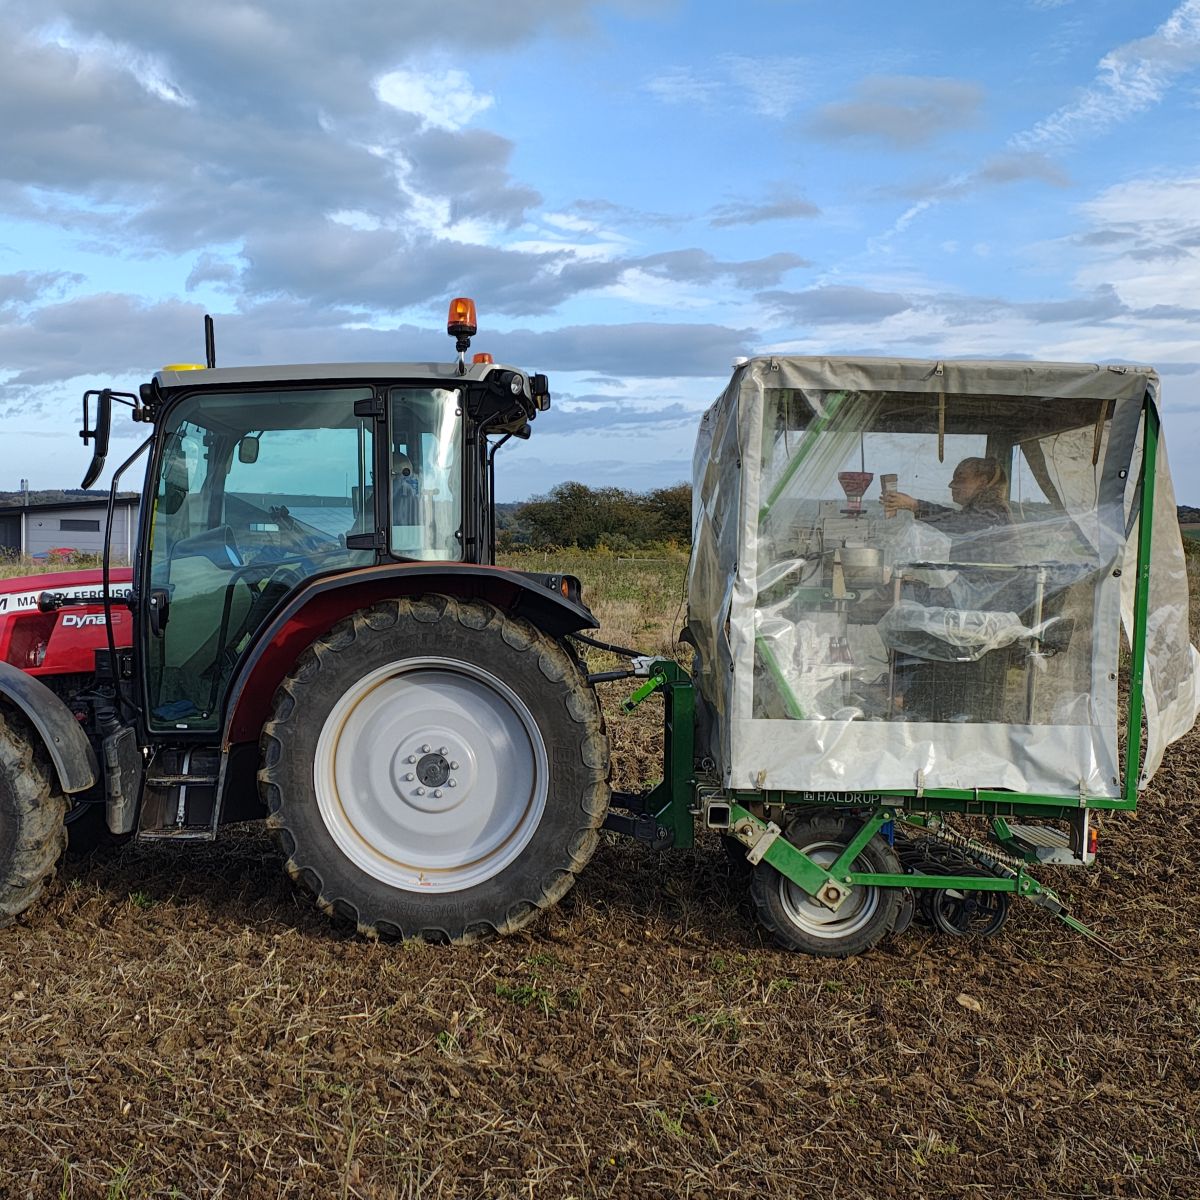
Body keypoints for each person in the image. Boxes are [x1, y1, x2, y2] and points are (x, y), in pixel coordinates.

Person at [880, 456, 1022, 722]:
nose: (951, 484)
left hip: (989, 608)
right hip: (980, 602)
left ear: (982, 481)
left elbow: (962, 527)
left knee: (913, 622)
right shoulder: (982, 510)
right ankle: (914, 701)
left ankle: (913, 702)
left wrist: (915, 506)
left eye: (960, 478)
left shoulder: (993, 511)